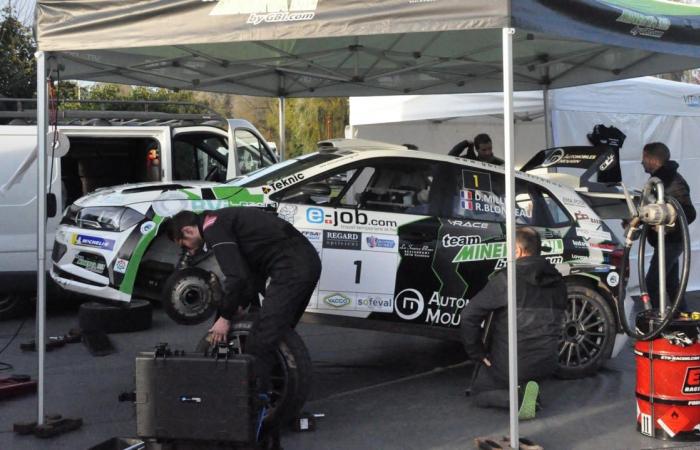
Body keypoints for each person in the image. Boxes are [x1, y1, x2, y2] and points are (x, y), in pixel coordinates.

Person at [165, 207, 322, 392]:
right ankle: (280, 389)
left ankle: (252, 401)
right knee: (277, 332)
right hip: (304, 262)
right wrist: (240, 304)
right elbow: (249, 273)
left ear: (188, 231)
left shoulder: (213, 228)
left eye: (184, 244)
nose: (189, 252)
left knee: (261, 339)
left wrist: (224, 318)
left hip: (292, 267)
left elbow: (237, 277)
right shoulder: (220, 219)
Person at [460, 227, 567, 420]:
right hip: (548, 362)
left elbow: (468, 316)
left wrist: (477, 353)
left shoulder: (507, 279)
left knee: (479, 393)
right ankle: (528, 388)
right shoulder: (559, 281)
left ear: (517, 251)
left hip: (512, 363)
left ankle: (518, 399)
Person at [641, 142, 696, 312]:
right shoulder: (660, 180)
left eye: (644, 158)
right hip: (666, 241)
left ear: (652, 159)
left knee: (652, 282)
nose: (642, 162)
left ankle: (660, 321)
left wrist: (666, 222)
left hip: (671, 242)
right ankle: (683, 321)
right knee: (671, 285)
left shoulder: (670, 180)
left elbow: (689, 213)